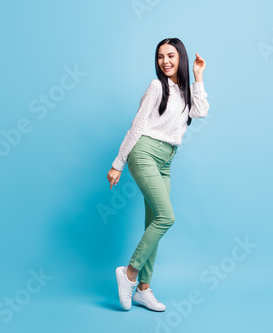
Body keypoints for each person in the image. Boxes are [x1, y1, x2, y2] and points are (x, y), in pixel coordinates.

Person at [106, 37, 210, 311]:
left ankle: (143, 289)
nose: (165, 61)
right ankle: (129, 272)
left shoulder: (186, 91)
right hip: (145, 153)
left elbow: (201, 111)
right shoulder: (156, 86)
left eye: (171, 56)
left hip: (166, 161)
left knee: (153, 222)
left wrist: (198, 76)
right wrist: (118, 163)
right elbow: (137, 124)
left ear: (181, 58)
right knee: (166, 217)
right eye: (161, 57)